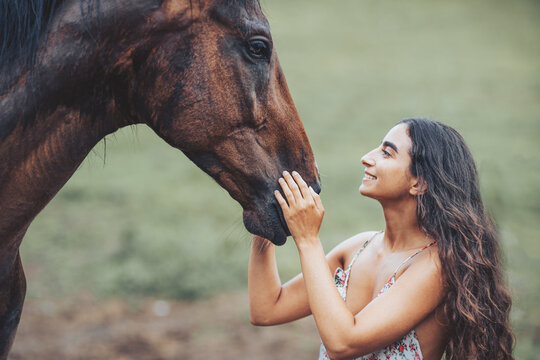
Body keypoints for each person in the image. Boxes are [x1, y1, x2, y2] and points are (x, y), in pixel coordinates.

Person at [248, 118, 514, 360]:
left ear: (418, 183)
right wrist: (267, 213)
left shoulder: (436, 266)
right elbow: (267, 308)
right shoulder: (356, 249)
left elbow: (342, 343)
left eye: (387, 153)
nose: (366, 158)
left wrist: (307, 240)